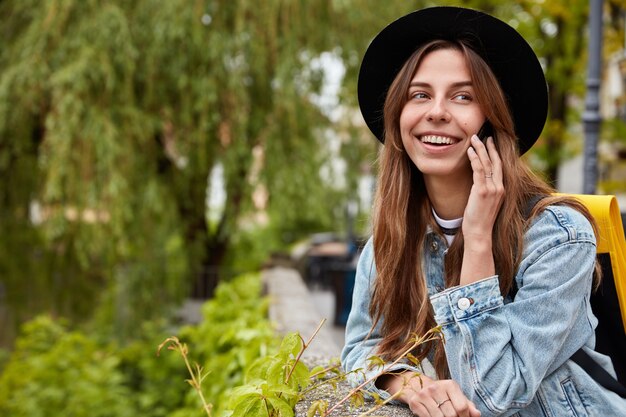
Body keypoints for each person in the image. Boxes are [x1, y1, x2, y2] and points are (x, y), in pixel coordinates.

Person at [341, 6, 626, 417]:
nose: (436, 111)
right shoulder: (392, 240)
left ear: (491, 122)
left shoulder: (558, 237)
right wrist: (408, 382)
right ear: (398, 118)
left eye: (463, 96)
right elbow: (359, 350)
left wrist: (477, 238)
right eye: (419, 94)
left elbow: (491, 397)